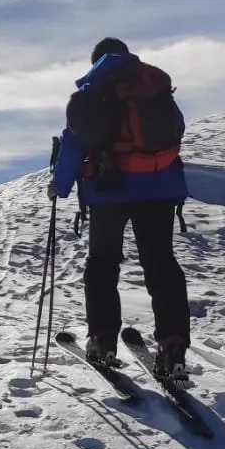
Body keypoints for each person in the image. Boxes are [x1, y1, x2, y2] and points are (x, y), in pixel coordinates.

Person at [49, 37, 191, 383]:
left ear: (96, 61)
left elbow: (75, 141)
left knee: (102, 263)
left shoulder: (94, 90)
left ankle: (102, 340)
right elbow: (176, 130)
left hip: (109, 189)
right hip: (159, 189)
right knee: (161, 264)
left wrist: (60, 185)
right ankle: (173, 345)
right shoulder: (152, 84)